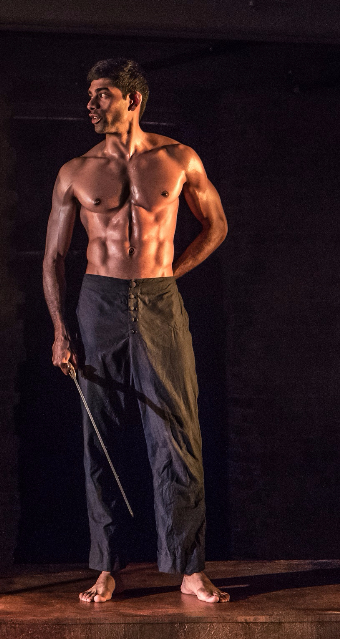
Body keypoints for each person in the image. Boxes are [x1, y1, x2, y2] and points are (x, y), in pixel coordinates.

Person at [42, 58, 229, 603]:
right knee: (100, 433)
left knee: (177, 432)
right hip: (98, 301)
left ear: (133, 99)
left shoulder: (178, 159)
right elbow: (54, 258)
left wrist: (170, 273)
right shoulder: (75, 171)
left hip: (159, 299)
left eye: (102, 94)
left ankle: (189, 568)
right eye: (90, 95)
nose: (91, 104)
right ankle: (107, 566)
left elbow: (216, 226)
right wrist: (60, 331)